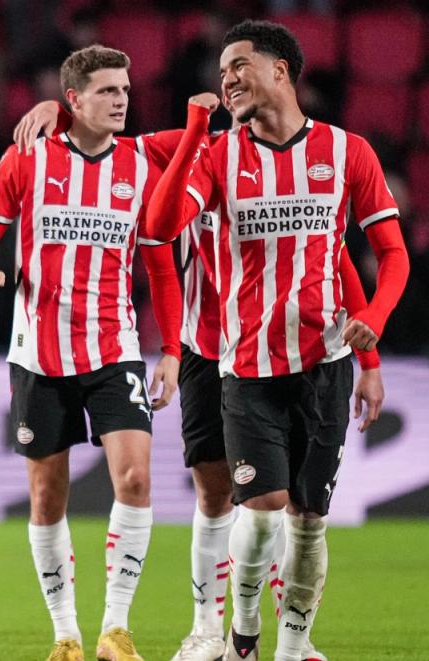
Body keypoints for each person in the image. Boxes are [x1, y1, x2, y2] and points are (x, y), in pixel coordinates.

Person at [14, 92, 386, 661]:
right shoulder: (194, 149)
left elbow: (332, 259)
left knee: (287, 501)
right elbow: (108, 142)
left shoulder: (302, 172)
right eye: (227, 80)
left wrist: (370, 360)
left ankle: (291, 634)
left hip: (288, 350)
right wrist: (61, 113)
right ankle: (207, 630)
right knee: (215, 494)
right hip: (209, 351)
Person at [144, 20, 409, 661]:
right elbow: (158, 226)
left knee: (309, 522)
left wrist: (375, 315)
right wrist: (192, 136)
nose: (226, 78)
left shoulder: (349, 152)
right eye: (221, 70)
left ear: (281, 70)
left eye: (238, 65)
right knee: (260, 510)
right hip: (247, 365)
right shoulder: (215, 155)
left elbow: (390, 252)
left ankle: (293, 646)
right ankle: (241, 634)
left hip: (326, 363)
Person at [0, 45, 183, 661]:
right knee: (45, 497)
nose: (121, 101)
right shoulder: (26, 159)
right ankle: (66, 635)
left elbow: (160, 266)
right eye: (107, 91)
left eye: (126, 90)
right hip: (38, 355)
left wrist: (172, 348)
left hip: (116, 348)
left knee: (136, 479)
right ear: (75, 100)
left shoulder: (141, 162)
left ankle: (115, 628)